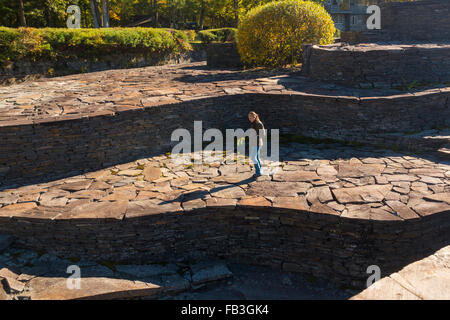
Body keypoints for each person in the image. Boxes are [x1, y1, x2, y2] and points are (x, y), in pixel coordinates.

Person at [248, 111, 265, 176]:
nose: (250, 118)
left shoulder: (258, 123)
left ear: (255, 117)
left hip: (257, 143)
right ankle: (260, 169)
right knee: (257, 157)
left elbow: (262, 134)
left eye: (251, 117)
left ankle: (258, 172)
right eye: (249, 117)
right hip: (254, 143)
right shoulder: (254, 123)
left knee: (253, 157)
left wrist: (255, 136)